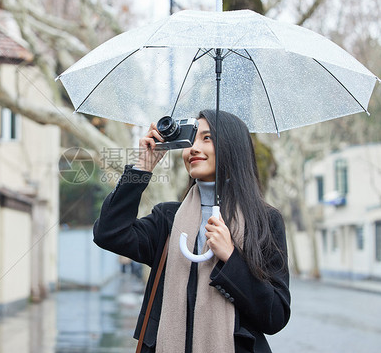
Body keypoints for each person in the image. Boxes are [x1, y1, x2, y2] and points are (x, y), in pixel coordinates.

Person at [93, 110, 290, 353]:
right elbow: (109, 233)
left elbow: (275, 316)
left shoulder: (265, 221)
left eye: (207, 138)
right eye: (191, 139)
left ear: (232, 146)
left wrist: (231, 258)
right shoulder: (168, 219)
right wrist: (141, 168)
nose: (193, 148)